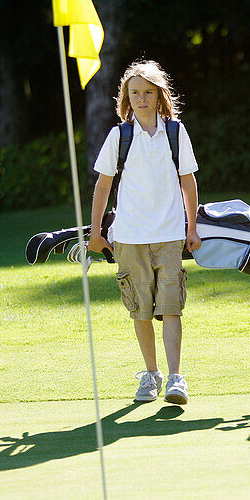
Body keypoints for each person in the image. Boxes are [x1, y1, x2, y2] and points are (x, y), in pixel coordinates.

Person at [87, 60, 201, 404]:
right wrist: (96, 232)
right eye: (134, 92)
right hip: (128, 237)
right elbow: (103, 184)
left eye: (147, 92)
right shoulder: (119, 135)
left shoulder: (175, 132)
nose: (141, 98)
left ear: (159, 95)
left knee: (170, 307)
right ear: (126, 96)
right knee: (140, 310)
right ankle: (151, 375)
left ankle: (176, 378)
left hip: (168, 235)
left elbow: (188, 180)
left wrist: (191, 227)